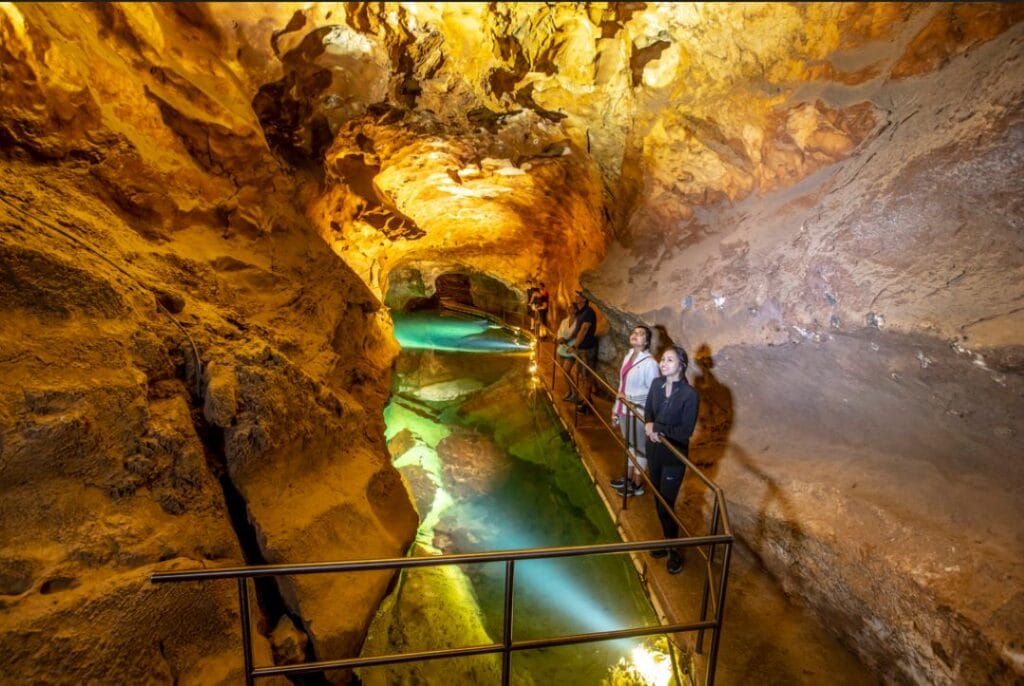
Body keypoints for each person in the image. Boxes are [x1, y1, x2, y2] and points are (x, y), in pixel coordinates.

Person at [644, 345, 699, 575]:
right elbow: (648, 411)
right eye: (662, 359)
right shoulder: (657, 385)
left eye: (669, 360)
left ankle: (673, 551)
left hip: (673, 456)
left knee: (667, 503)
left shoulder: (689, 395)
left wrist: (657, 428)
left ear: (681, 365)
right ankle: (667, 542)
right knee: (658, 500)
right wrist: (650, 427)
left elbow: (685, 431)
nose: (663, 363)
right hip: (654, 450)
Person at [610, 325, 659, 497]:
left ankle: (637, 485)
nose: (635, 335)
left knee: (639, 449)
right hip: (624, 410)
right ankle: (628, 479)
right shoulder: (629, 355)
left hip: (638, 412)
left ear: (646, 341)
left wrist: (629, 398)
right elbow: (621, 386)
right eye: (634, 332)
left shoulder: (650, 364)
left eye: (641, 334)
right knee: (630, 446)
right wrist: (616, 409)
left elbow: (653, 393)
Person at [565, 291, 598, 413]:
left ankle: (587, 404)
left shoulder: (589, 312)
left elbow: (584, 330)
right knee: (583, 375)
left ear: (584, 299)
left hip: (587, 348)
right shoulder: (580, 312)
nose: (576, 296)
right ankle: (586, 399)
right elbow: (577, 330)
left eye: (579, 295)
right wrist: (567, 339)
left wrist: (574, 346)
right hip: (582, 348)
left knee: (586, 375)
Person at [556, 302, 579, 383]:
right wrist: (559, 338)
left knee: (566, 372)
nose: (568, 309)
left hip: (570, 350)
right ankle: (570, 391)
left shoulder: (578, 323)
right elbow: (559, 331)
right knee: (564, 373)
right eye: (568, 307)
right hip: (561, 349)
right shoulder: (564, 321)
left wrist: (565, 339)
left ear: (576, 310)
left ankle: (574, 392)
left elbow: (577, 335)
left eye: (571, 307)